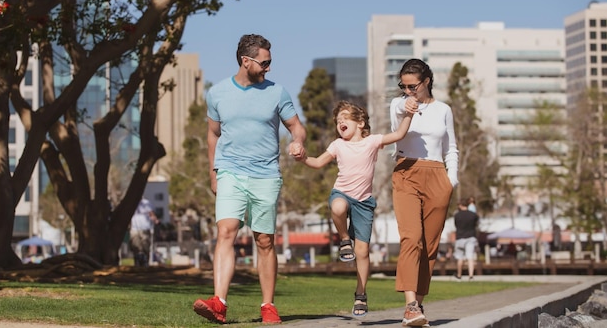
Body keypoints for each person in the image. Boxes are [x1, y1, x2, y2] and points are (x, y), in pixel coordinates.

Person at [192, 34, 307, 325]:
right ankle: (219, 302)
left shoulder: (277, 92)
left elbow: (296, 127)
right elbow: (212, 135)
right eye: (264, 63)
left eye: (270, 63)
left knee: (264, 240)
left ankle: (268, 305)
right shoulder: (217, 93)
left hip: (266, 175)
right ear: (246, 61)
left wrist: (297, 142)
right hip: (230, 170)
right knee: (226, 232)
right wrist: (213, 172)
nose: (268, 68)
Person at [301, 100, 417, 317]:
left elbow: (399, 134)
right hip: (342, 193)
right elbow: (317, 162)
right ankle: (344, 239)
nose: (340, 121)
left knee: (362, 252)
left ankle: (361, 294)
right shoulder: (337, 145)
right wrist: (302, 157)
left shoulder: (372, 142)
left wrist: (408, 114)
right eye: (337, 120)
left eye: (345, 117)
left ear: (361, 123)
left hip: (364, 203)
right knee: (337, 206)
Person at [389, 58, 459, 327]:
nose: (408, 91)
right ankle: (409, 306)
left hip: (437, 176)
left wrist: (450, 180)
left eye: (413, 86)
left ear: (426, 81)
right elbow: (396, 116)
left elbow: (451, 147)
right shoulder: (398, 105)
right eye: (403, 86)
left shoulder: (443, 109)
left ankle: (418, 305)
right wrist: (405, 107)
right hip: (406, 171)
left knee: (429, 246)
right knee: (411, 239)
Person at [453, 197, 480, 281]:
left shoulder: (457, 215)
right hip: (471, 237)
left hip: (460, 237)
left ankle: (459, 275)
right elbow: (476, 225)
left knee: (460, 258)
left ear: (460, 205)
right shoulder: (473, 215)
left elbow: (456, 225)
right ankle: (471, 276)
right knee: (470, 257)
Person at [129, 199, 159, 267]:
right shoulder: (131, 202)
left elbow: (151, 214)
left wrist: (155, 220)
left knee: (145, 246)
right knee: (135, 246)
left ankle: (145, 262)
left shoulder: (146, 202)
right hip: (134, 228)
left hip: (145, 228)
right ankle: (137, 262)